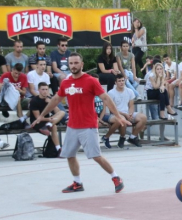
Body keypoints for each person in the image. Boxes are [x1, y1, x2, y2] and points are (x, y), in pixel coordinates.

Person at [31, 52, 130, 193]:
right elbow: (55, 100)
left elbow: (106, 98)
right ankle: (77, 183)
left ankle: (116, 178)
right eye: (71, 63)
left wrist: (118, 115)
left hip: (88, 125)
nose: (73, 65)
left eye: (76, 63)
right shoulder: (66, 82)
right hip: (72, 126)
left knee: (96, 156)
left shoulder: (91, 81)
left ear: (81, 64)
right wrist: (41, 115)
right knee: (70, 155)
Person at [102, 74, 147, 148]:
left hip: (127, 112)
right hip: (116, 114)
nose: (121, 82)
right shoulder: (111, 93)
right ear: (115, 83)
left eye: (123, 80)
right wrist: (124, 115)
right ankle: (122, 137)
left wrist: (130, 114)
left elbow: (131, 105)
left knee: (143, 117)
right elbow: (112, 109)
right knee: (122, 119)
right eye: (119, 81)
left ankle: (132, 137)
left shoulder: (130, 91)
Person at [29, 82, 65, 155]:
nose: (45, 91)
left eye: (46, 89)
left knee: (62, 113)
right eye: (43, 89)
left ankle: (58, 149)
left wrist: (51, 103)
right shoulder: (34, 101)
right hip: (38, 122)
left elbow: (58, 112)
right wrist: (49, 119)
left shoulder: (49, 99)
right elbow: (38, 117)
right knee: (53, 126)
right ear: (38, 90)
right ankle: (58, 148)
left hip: (48, 121)